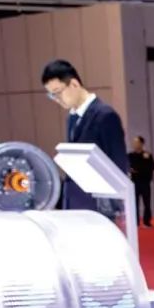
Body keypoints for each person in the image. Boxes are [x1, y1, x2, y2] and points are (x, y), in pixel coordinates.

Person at [40, 59, 128, 211]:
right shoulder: (72, 118)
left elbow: (118, 165)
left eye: (58, 92)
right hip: (76, 204)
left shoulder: (105, 116)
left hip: (98, 207)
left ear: (74, 84)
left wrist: (114, 209)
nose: (57, 99)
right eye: (52, 95)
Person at [128, 136, 154, 227]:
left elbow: (153, 166)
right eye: (134, 143)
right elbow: (127, 166)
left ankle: (146, 221)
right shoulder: (130, 156)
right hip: (134, 182)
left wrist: (141, 170)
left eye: (137, 142)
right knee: (134, 203)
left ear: (141, 144)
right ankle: (135, 222)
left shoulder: (147, 155)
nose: (135, 144)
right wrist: (131, 170)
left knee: (147, 203)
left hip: (145, 182)